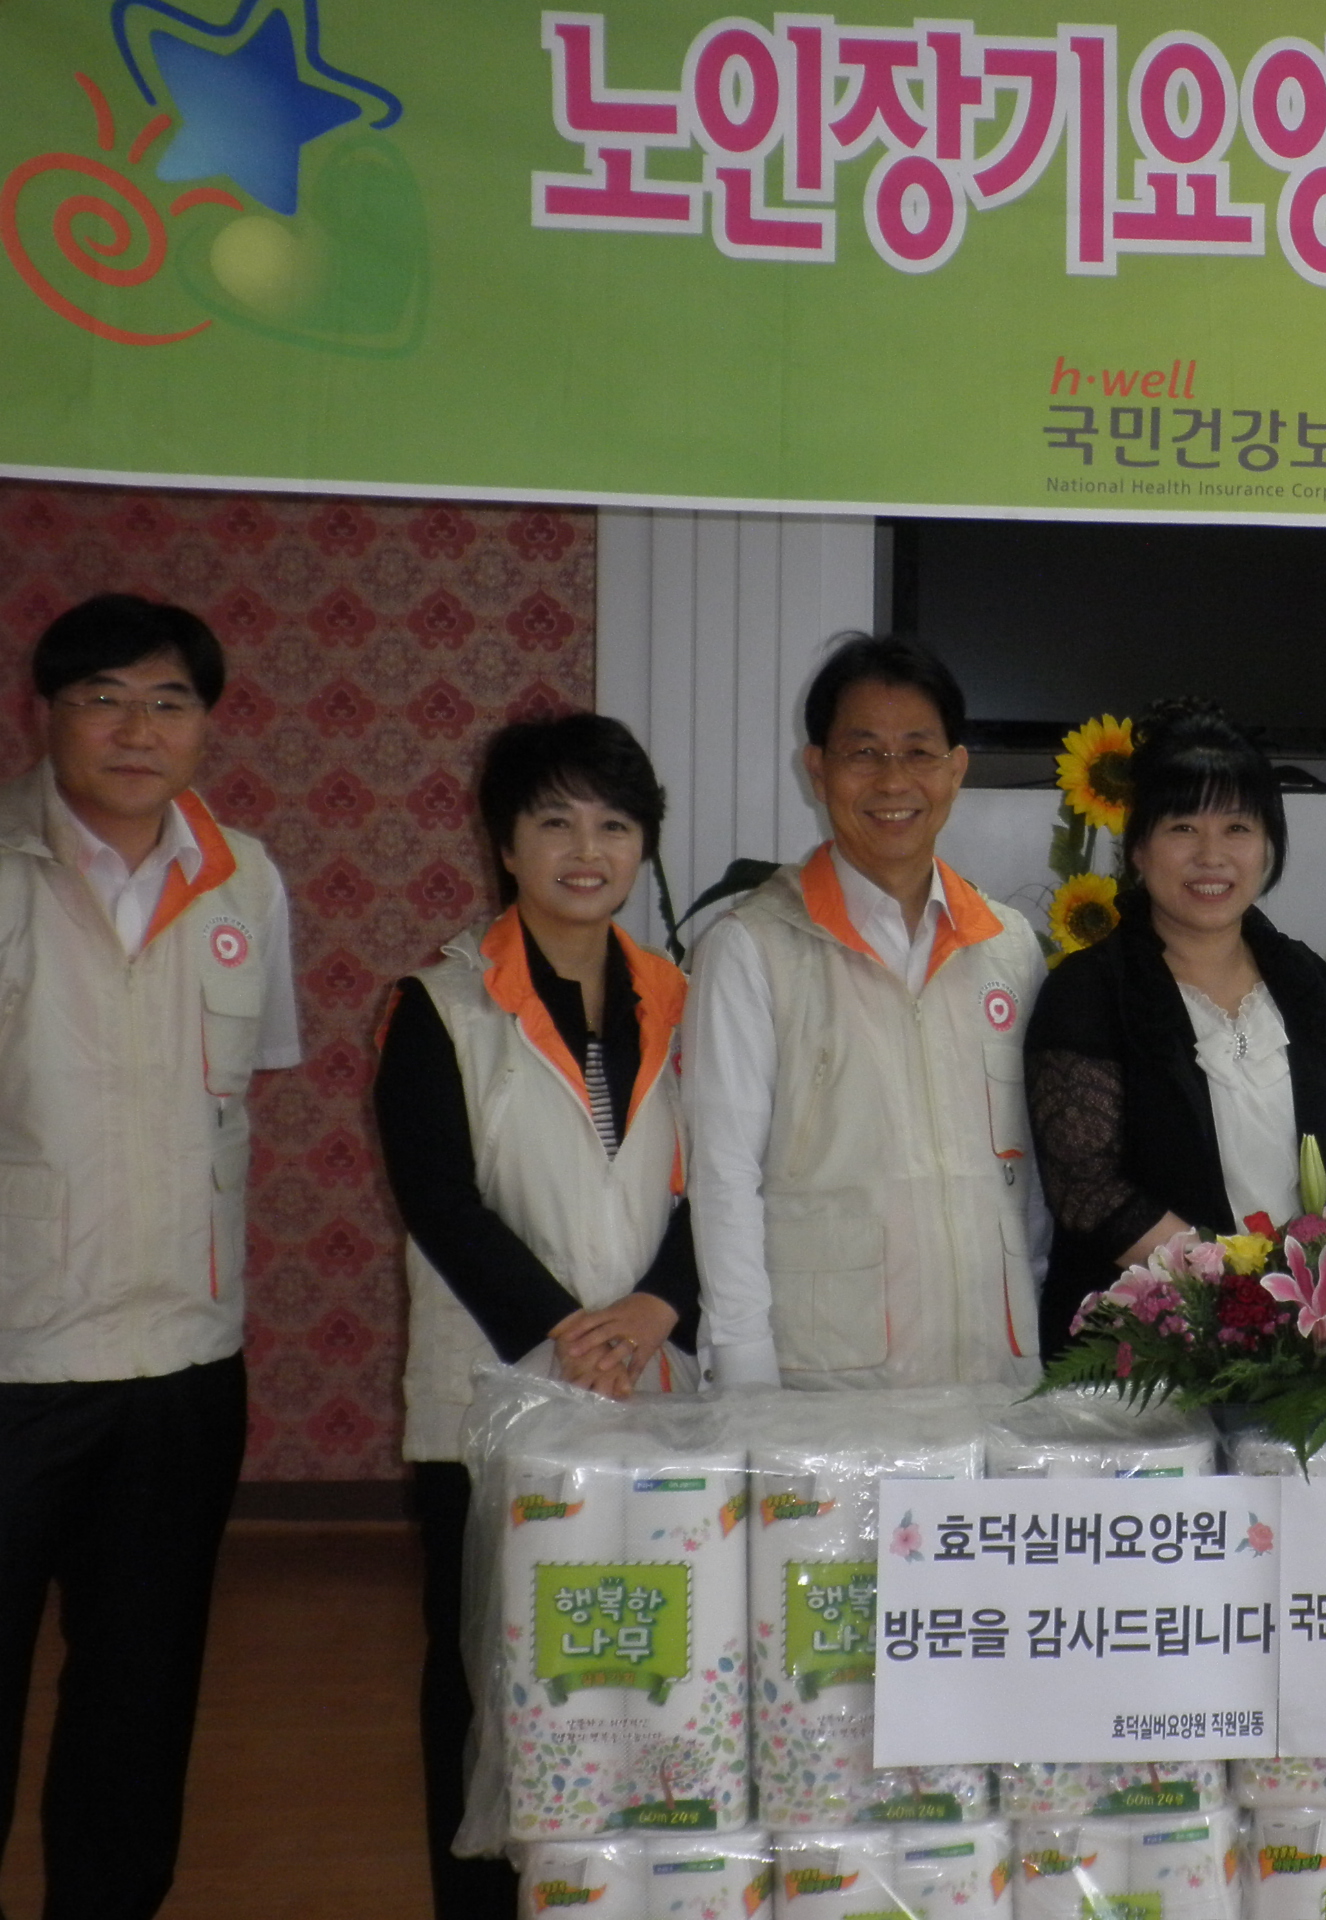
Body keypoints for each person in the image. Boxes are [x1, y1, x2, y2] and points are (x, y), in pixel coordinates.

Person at [0, 594, 300, 1920]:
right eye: (104, 699)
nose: (137, 729)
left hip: (183, 1362)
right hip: (14, 1358)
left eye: (169, 702)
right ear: (46, 714)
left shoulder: (249, 879)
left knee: (141, 1696)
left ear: (206, 725)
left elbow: (243, 1086)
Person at [373, 713, 698, 1920]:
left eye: (614, 825)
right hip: (494, 1394)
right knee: (487, 1672)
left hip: (656, 1389)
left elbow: (723, 1179)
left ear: (643, 846)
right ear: (503, 844)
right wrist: (570, 1331)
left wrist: (655, 1309)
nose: (585, 850)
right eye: (554, 821)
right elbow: (440, 1202)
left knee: (647, 1658)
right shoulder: (438, 1005)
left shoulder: (685, 998)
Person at [686, 633, 1045, 1388]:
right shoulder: (753, 947)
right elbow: (722, 1177)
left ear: (956, 769)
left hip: (993, 1371)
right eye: (864, 753)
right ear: (816, 769)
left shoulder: (1007, 946)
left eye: (918, 752)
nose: (893, 780)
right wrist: (746, 1375)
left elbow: (1032, 1183)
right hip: (824, 1384)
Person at [1027, 700, 1326, 1354]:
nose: (1211, 855)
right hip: (1141, 1349)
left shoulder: (1308, 982)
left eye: (1238, 827)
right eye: (1183, 827)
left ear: (1269, 845)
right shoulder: (1088, 990)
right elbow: (1086, 1189)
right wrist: (1237, 1294)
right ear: (1138, 848)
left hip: (1301, 1344)